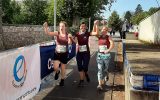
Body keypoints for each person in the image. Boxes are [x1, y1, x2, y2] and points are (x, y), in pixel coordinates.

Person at [43, 21, 73, 86]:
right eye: (60, 26)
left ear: (65, 27)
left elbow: (70, 43)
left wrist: (70, 37)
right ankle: (57, 71)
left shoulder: (68, 35)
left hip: (64, 54)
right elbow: (48, 33)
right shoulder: (57, 33)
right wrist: (46, 27)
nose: (61, 27)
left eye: (62, 26)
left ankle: (62, 80)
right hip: (57, 53)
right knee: (55, 67)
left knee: (63, 68)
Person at [70, 20, 99, 87]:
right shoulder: (77, 34)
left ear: (86, 27)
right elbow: (76, 42)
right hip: (79, 53)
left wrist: (96, 25)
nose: (83, 27)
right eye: (81, 26)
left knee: (85, 67)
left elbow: (96, 33)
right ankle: (81, 80)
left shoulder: (88, 33)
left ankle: (85, 73)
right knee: (80, 67)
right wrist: (71, 38)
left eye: (84, 26)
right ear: (80, 27)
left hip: (86, 53)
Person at [94, 24, 114, 90]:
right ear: (101, 30)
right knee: (100, 69)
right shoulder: (99, 36)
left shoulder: (109, 37)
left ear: (107, 31)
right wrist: (95, 24)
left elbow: (112, 44)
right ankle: (100, 84)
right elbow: (95, 33)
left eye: (105, 29)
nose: (103, 30)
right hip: (99, 55)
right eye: (102, 29)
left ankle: (106, 74)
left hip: (106, 56)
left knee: (105, 69)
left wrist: (108, 50)